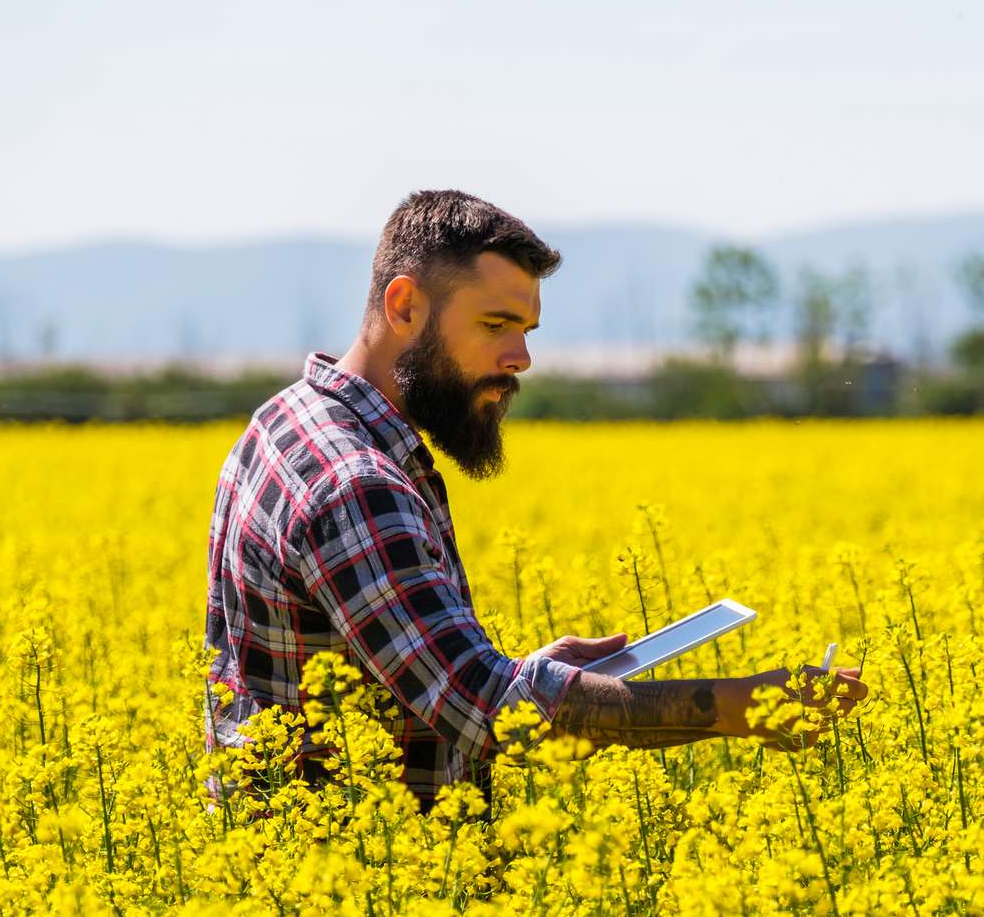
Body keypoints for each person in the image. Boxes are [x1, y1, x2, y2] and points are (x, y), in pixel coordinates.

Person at [204, 189, 867, 810]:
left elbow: (426, 672)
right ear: (404, 306)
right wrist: (740, 707)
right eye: (496, 324)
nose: (520, 357)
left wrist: (531, 672)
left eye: (527, 330)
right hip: (350, 887)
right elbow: (495, 713)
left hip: (311, 871)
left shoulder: (288, 421)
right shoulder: (355, 484)